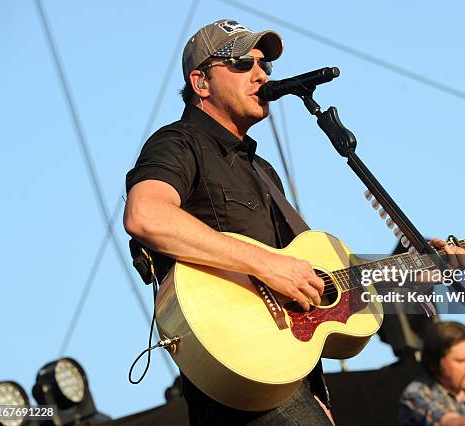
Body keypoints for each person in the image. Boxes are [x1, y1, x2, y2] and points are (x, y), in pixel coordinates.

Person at [123, 18, 333, 425]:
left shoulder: (263, 171)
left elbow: (316, 276)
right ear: (201, 83)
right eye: (241, 63)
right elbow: (146, 213)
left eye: (264, 66)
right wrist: (264, 264)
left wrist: (416, 264)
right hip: (235, 374)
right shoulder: (179, 143)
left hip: (287, 375)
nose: (260, 74)